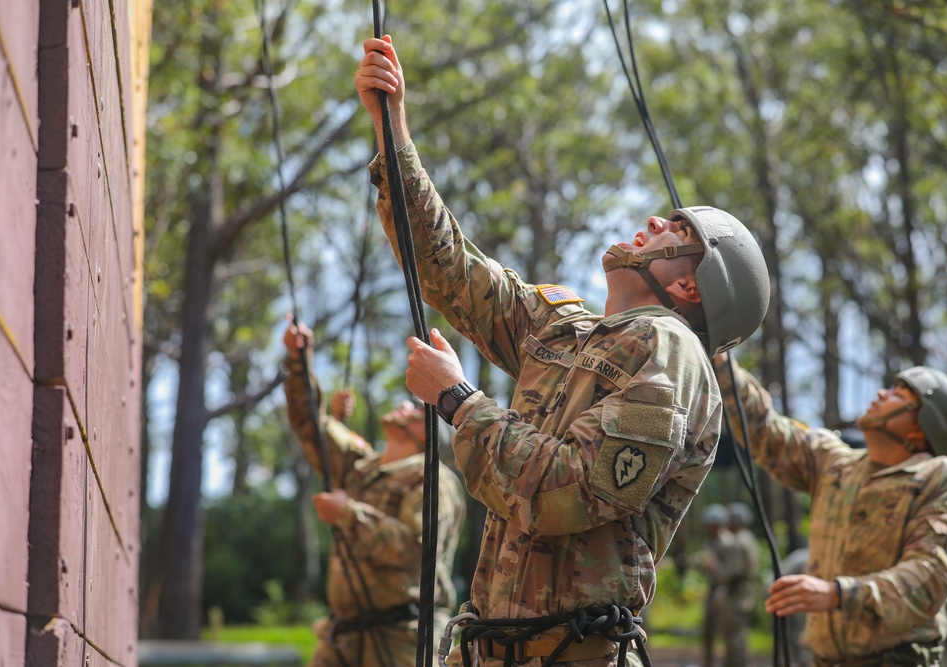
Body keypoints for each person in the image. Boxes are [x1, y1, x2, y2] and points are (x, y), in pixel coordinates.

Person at [354, 35, 770, 667]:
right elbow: (448, 271)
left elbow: (564, 492)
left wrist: (460, 402)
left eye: (678, 233)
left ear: (688, 286)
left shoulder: (670, 349)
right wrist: (394, 131)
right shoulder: (563, 331)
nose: (656, 222)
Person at [716, 356, 947, 666]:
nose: (881, 393)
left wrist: (838, 593)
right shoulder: (836, 464)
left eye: (898, 394)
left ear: (922, 428)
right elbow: (764, 429)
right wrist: (721, 361)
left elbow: (928, 578)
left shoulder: (938, 476)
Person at [283, 322, 467, 667]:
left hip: (402, 639)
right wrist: (299, 361)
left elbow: (418, 550)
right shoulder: (361, 466)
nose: (404, 404)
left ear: (429, 431)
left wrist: (348, 515)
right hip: (344, 637)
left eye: (416, 407)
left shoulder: (434, 480)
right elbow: (312, 425)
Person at [693, 504, 734, 667]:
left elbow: (731, 572)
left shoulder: (728, 543)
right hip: (714, 592)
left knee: (727, 635)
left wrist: (713, 567)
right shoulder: (713, 542)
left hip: (727, 594)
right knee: (708, 633)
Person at [722, 502, 758, 667]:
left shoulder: (739, 542)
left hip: (738, 594)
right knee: (739, 636)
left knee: (735, 638)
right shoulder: (749, 538)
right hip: (745, 593)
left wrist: (716, 571)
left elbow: (733, 572)